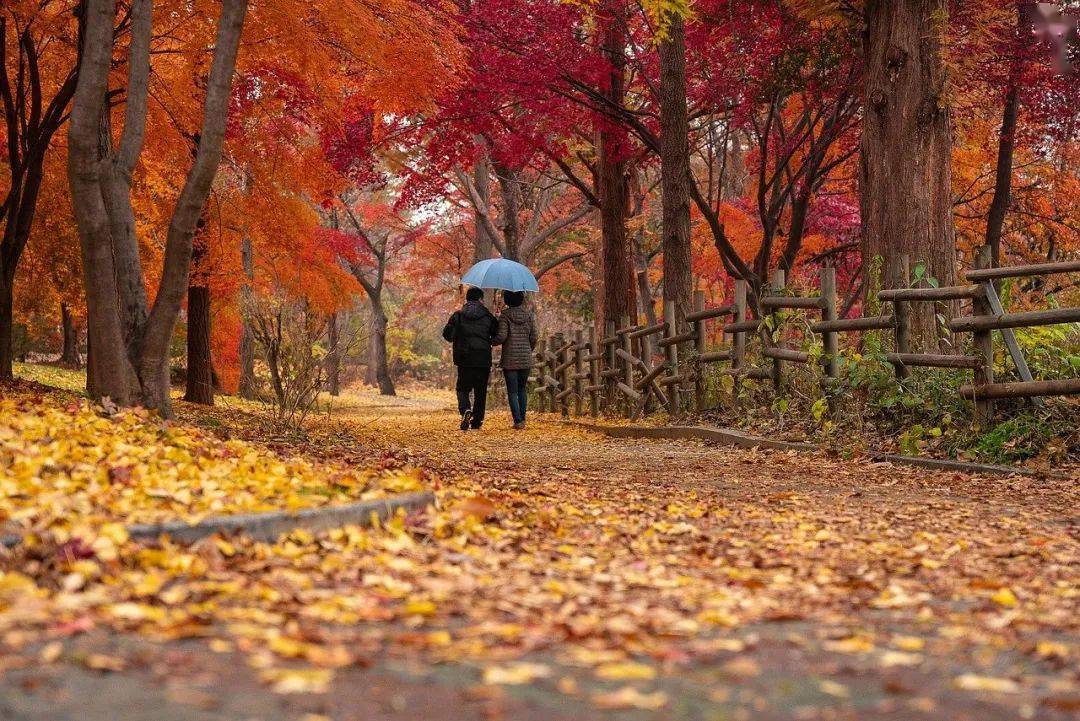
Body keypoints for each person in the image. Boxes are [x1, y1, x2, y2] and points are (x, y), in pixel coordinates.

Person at [442, 287, 499, 431]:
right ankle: (477, 421)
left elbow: (448, 335)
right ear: (480, 299)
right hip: (482, 358)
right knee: (480, 391)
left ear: (467, 299)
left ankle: (465, 409)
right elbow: (496, 334)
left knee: (462, 388)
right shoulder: (488, 317)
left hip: (464, 357)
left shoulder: (458, 316)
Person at [494, 290, 538, 429]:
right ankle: (523, 419)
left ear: (507, 300)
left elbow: (501, 337)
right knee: (522, 389)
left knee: (512, 391)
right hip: (525, 358)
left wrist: (490, 340)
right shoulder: (529, 315)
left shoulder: (505, 316)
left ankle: (517, 421)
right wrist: (528, 350)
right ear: (521, 299)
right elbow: (534, 337)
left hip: (510, 360)